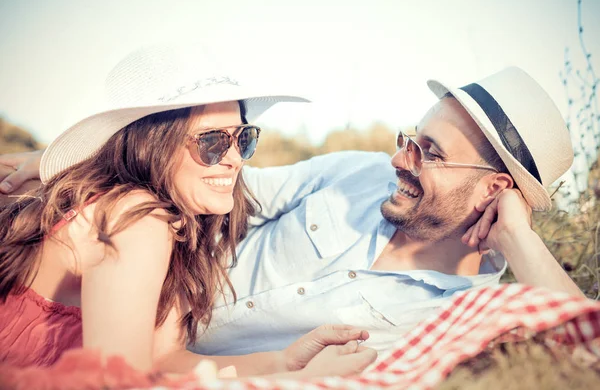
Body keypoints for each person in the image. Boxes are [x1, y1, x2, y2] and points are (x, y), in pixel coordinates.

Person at [0, 67, 584, 359]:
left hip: (182, 371)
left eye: (429, 153)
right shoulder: (358, 173)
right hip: (112, 299)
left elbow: (588, 351)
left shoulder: (471, 315)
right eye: (412, 137)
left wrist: (520, 239)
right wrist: (63, 160)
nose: (399, 157)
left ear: (493, 189)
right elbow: (214, 179)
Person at [0, 44, 377, 377]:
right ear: (153, 146)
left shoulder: (170, 225)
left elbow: (163, 359)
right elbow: (118, 382)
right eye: (212, 142)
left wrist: (286, 362)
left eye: (243, 138)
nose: (233, 159)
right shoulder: (139, 218)